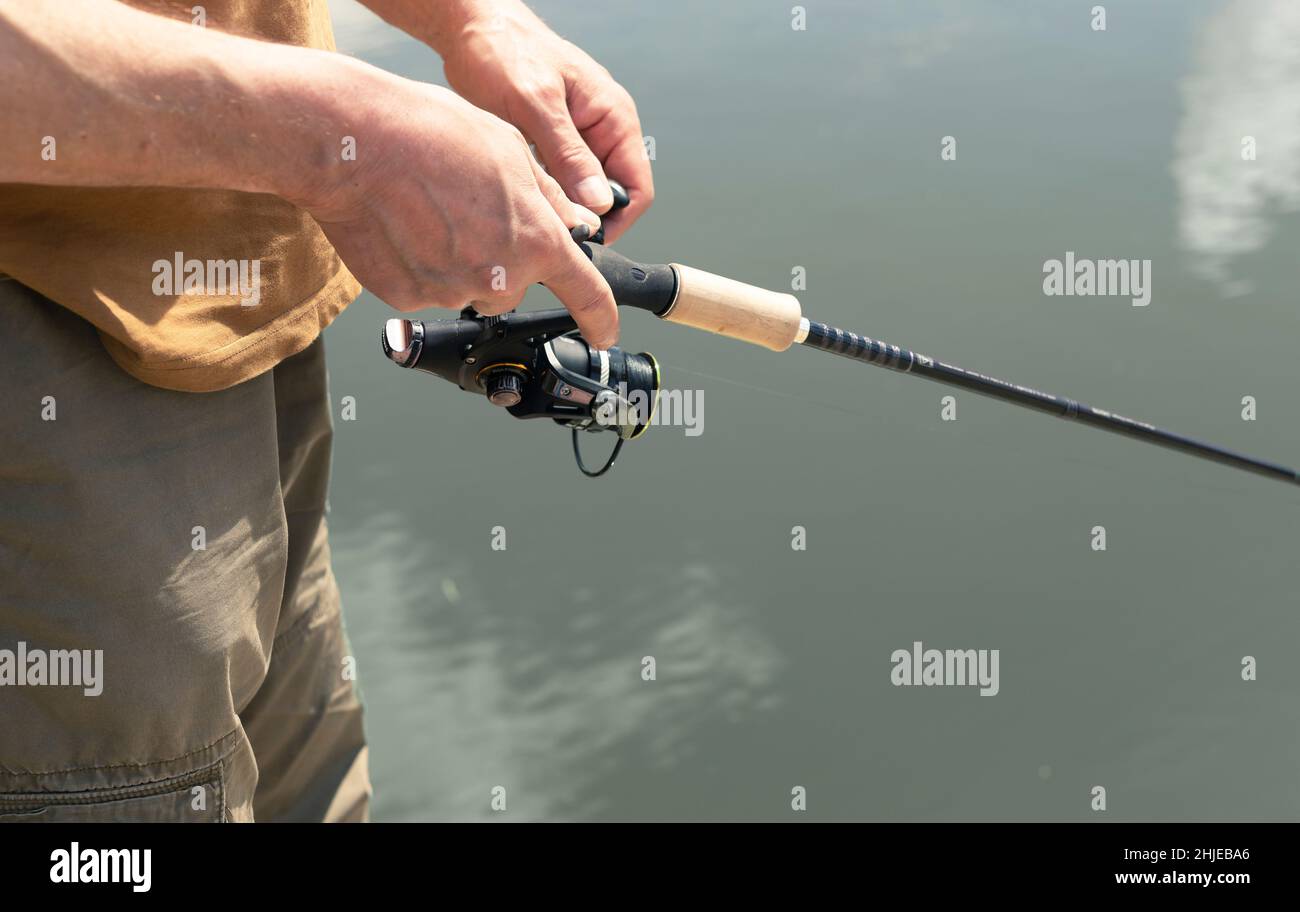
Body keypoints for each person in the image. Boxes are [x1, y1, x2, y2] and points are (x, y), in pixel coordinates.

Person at [0, 0, 652, 822]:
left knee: (315, 800)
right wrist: (343, 141)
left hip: (254, 316)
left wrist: (469, 22)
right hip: (46, 352)